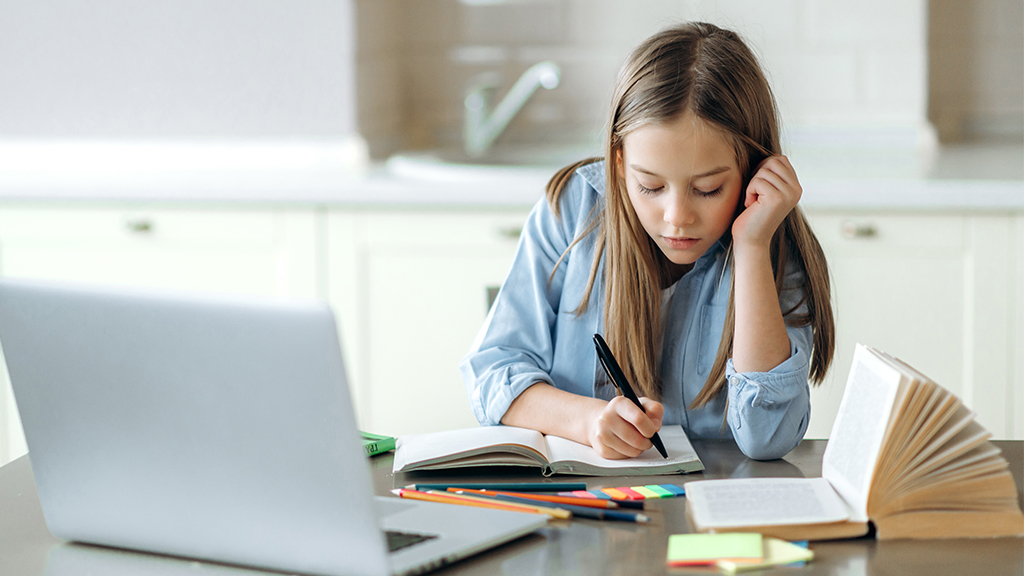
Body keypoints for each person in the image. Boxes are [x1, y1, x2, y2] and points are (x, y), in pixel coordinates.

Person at [460, 22, 834, 461]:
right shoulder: (573, 210)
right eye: (650, 187)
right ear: (620, 162)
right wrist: (586, 420)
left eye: (708, 189)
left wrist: (751, 248)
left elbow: (767, 437)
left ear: (752, 168)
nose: (677, 218)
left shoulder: (772, 243)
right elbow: (493, 372)